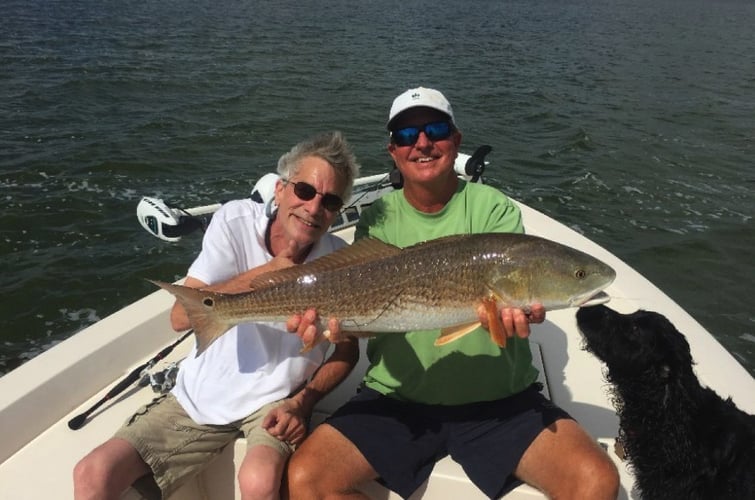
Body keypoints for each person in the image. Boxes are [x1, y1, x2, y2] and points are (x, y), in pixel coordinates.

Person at [285, 88, 620, 499]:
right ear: (393, 151)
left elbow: (518, 284)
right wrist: (338, 329)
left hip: (500, 402)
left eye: (436, 129)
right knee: (307, 479)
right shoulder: (379, 218)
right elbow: (376, 313)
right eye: (407, 135)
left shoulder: (494, 209)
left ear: (456, 141)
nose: (422, 143)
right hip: (398, 400)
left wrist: (520, 316)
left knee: (597, 482)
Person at [73, 131, 361, 500]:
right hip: (203, 390)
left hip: (276, 400)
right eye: (305, 191)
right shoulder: (233, 220)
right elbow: (181, 316)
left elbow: (347, 350)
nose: (314, 207)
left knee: (258, 481)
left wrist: (302, 402)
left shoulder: (338, 261)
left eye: (331, 200)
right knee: (92, 473)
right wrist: (273, 269)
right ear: (280, 189)